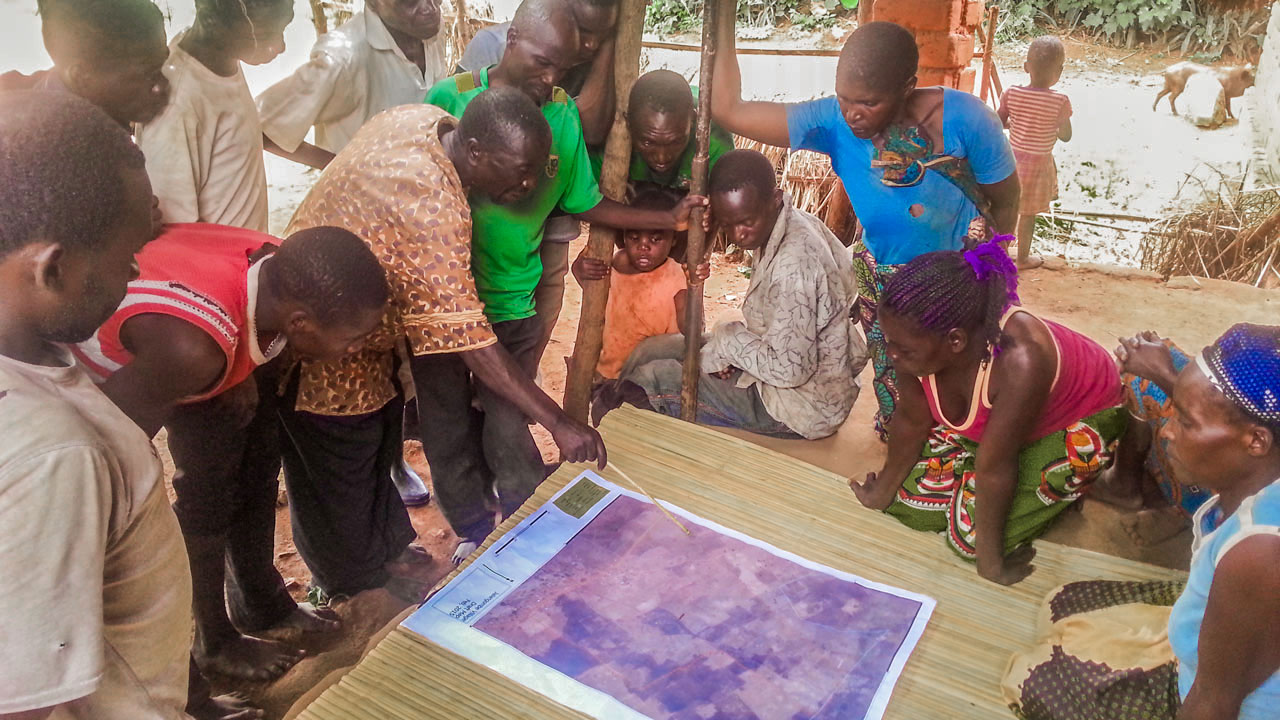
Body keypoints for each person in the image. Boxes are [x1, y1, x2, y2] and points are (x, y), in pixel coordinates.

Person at [279, 87, 606, 596]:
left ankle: (383, 554)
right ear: (475, 152)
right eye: (517, 171)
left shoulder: (425, 119)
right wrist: (559, 421)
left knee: (374, 441)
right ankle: (355, 587)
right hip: (321, 339)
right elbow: (470, 339)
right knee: (339, 463)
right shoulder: (436, 207)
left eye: (532, 173)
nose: (525, 184)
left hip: (355, 330)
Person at [423, 0, 699, 561]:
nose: (551, 79)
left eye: (560, 69)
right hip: (441, 310)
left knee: (506, 416)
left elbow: (587, 201)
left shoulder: (562, 115)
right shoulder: (448, 101)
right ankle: (474, 531)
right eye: (543, 62)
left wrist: (666, 219)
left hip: (513, 301)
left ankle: (529, 527)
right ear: (511, 37)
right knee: (448, 426)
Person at [70, 224, 386, 683]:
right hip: (114, 383)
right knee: (199, 500)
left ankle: (261, 605)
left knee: (256, 461)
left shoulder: (285, 270)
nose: (359, 347)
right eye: (353, 337)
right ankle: (208, 646)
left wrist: (237, 373)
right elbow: (105, 451)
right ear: (299, 323)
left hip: (196, 346)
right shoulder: (191, 350)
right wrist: (218, 370)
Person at [711, 17, 1020, 439]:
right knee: (898, 379)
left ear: (907, 86)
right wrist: (724, 16)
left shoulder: (968, 122)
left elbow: (1005, 199)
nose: (853, 114)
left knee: (964, 380)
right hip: (884, 280)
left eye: (869, 103)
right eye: (844, 99)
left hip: (958, 279)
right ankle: (902, 447)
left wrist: (991, 274)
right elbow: (729, 111)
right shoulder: (832, 124)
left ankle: (955, 451)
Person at [0, 91, 191, 720]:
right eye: (126, 255)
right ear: (51, 271)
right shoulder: (56, 456)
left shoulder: (37, 357)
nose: (137, 272)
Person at [1004, 323, 1280, 720]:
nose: (1165, 432)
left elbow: (1214, 703)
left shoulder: (1259, 554)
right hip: (1220, 638)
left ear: (1256, 441)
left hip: (1208, 698)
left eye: (1185, 422)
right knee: (1065, 602)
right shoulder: (1255, 486)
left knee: (1033, 681)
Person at [850, 239, 1126, 585]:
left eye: (901, 348)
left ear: (955, 341)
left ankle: (1080, 481)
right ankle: (990, 471)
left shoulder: (1021, 359)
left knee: (971, 541)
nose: (891, 355)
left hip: (1081, 419)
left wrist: (990, 565)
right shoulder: (913, 343)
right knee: (907, 504)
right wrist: (881, 493)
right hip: (997, 434)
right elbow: (911, 419)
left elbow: (996, 467)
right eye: (890, 342)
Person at [595, 150, 864, 440]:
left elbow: (791, 371)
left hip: (797, 405)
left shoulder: (794, 267)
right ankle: (612, 406)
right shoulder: (793, 220)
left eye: (746, 222)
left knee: (649, 384)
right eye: (728, 223)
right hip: (773, 360)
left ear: (774, 199)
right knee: (652, 350)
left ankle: (615, 451)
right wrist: (728, 352)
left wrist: (727, 345)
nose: (738, 235)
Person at [456, 0, 621, 368]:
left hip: (523, 279)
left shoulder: (564, 107)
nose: (551, 79)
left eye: (600, 35)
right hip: (459, 290)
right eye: (545, 63)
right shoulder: (471, 70)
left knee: (513, 374)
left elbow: (587, 140)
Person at [135, 0, 294, 232]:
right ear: (213, 22)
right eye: (267, 32)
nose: (281, 46)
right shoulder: (177, 103)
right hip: (222, 265)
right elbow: (176, 233)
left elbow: (238, 134)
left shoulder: (222, 58)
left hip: (244, 256)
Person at [257, 0, 450, 169]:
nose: (431, 8)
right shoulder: (342, 60)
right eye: (409, 1)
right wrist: (347, 168)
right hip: (364, 205)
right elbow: (264, 128)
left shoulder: (428, 31)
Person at [1088, 331, 1214, 545]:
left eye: (1182, 423)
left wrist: (1162, 373)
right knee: (1146, 369)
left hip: (1242, 499)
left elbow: (1227, 423)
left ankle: (1194, 513)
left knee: (1149, 378)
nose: (1167, 432)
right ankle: (1124, 484)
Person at [570, 189, 707, 380]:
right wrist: (580, 267)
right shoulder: (609, 265)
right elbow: (582, 278)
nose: (644, 246)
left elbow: (689, 329)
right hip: (607, 374)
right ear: (624, 236)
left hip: (651, 380)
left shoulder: (676, 275)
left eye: (656, 239)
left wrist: (695, 286)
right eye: (635, 238)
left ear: (673, 239)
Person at [0, 0, 170, 128]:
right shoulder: (62, 148)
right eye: (148, 76)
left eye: (164, 65)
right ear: (82, 78)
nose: (162, 86)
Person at [589, 69, 735, 199]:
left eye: (675, 142)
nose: (662, 157)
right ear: (628, 123)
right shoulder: (608, 140)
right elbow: (600, 203)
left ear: (694, 121)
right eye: (648, 142)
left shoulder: (715, 141)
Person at [998, 35, 1072, 270]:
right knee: (1028, 215)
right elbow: (1066, 135)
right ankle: (1022, 258)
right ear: (1059, 71)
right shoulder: (1060, 101)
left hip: (1011, 163)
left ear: (1026, 67)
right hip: (1039, 167)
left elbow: (999, 122)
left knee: (1007, 210)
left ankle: (1000, 254)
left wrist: (1016, 125)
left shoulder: (1012, 93)